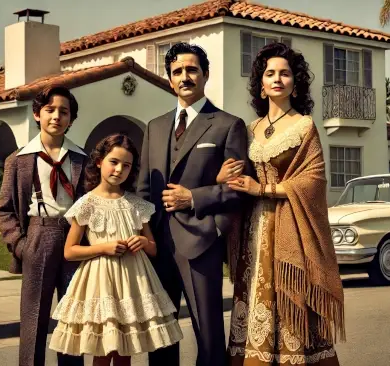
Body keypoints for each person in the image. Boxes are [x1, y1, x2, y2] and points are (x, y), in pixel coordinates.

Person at [218, 42, 346, 365]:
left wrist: (262, 189)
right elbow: (237, 175)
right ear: (261, 84)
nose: (277, 79)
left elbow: (313, 181)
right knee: (254, 302)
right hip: (252, 234)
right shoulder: (250, 130)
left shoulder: (304, 125)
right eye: (270, 73)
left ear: (295, 82)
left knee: (290, 302)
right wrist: (224, 176)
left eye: (285, 73)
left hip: (290, 229)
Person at [137, 42, 253, 366]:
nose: (185, 77)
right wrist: (146, 239)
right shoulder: (155, 126)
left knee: (209, 337)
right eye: (177, 72)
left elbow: (239, 191)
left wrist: (195, 199)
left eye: (191, 70)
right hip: (158, 246)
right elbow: (144, 191)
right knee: (160, 337)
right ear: (169, 80)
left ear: (205, 75)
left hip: (202, 243)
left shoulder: (228, 125)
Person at [49, 134, 183, 366]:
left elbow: (152, 249)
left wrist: (142, 243)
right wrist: (103, 248)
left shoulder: (137, 205)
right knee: (102, 350)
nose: (119, 169)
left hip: (132, 284)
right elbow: (69, 251)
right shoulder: (87, 204)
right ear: (100, 161)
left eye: (126, 165)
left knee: (125, 350)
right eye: (114, 162)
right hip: (100, 283)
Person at [0, 85, 87, 366]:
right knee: (34, 317)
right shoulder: (20, 159)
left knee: (72, 319)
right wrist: (21, 245)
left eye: (64, 112)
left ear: (71, 119)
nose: (56, 116)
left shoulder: (82, 159)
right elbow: (3, 209)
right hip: (38, 234)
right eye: (50, 110)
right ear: (37, 114)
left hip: (74, 237)